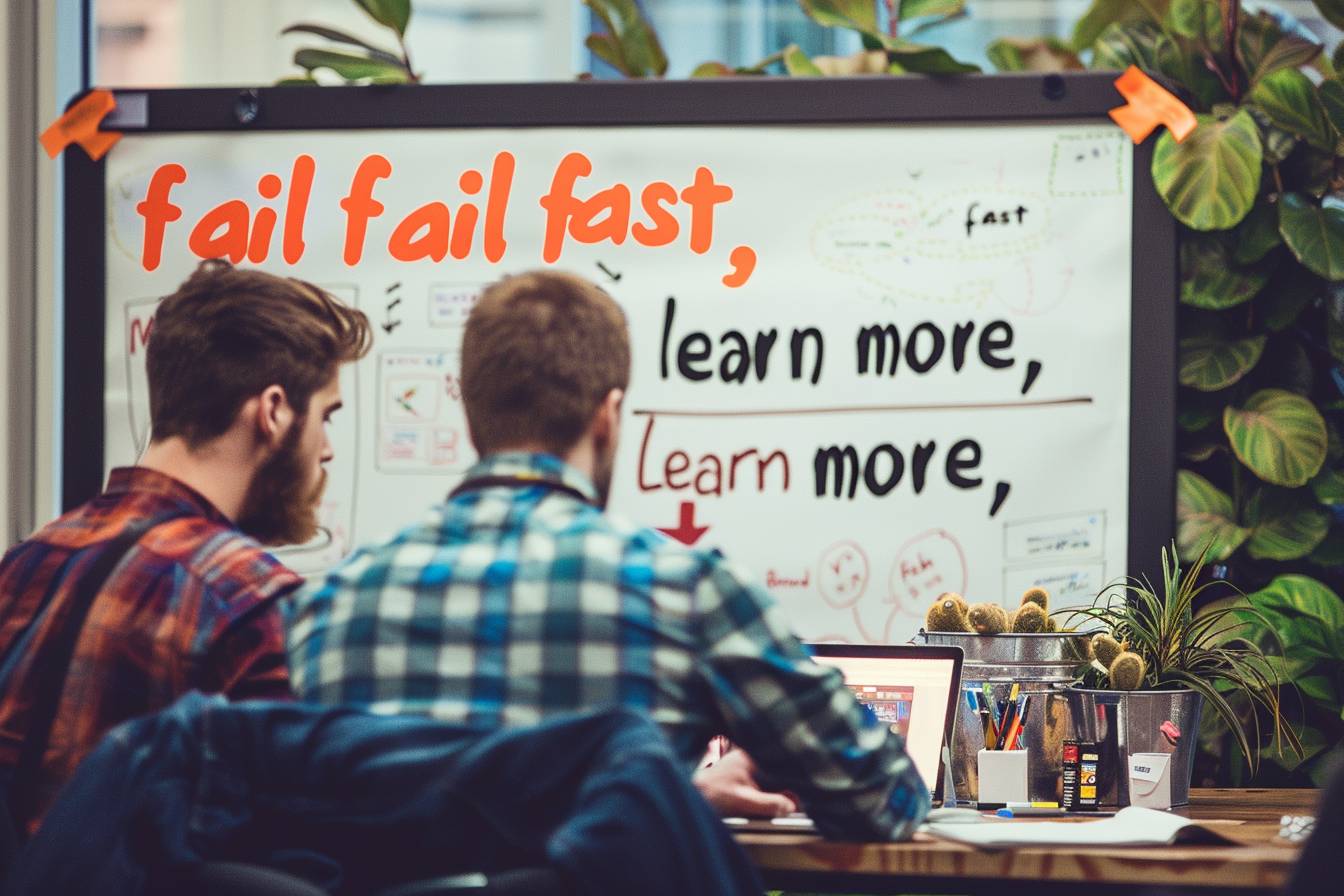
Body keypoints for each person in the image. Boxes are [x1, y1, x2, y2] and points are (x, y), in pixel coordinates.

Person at [287, 270, 930, 839]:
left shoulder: (328, 609)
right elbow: (884, 798)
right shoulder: (685, 592)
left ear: (473, 419)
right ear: (609, 416)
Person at [0, 259, 371, 835]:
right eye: (326, 415)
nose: (325, 448)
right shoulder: (251, 601)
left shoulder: (28, 562)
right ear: (272, 412)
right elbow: (294, 836)